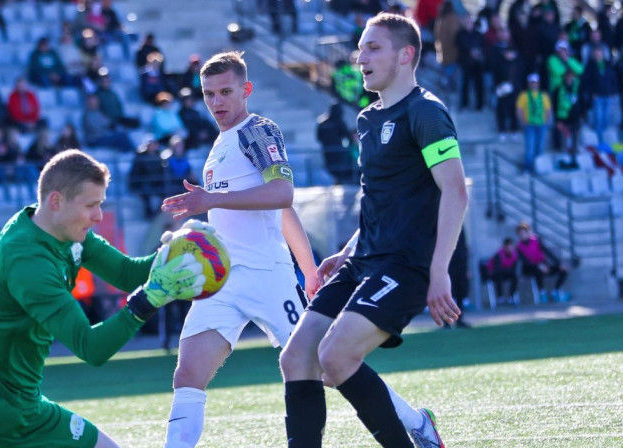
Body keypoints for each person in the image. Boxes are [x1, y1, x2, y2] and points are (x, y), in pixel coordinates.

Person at [0, 150, 208, 448]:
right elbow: (91, 347)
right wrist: (150, 298)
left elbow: (127, 273)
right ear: (57, 201)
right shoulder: (30, 263)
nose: (99, 216)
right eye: (91, 205)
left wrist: (171, 253)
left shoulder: (47, 226)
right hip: (2, 400)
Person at [278, 13, 467, 448]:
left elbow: (455, 192)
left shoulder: (426, 113)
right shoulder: (366, 119)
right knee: (296, 358)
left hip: (405, 266)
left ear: (406, 55)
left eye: (373, 47)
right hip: (364, 260)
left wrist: (439, 272)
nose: (360, 56)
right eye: (361, 47)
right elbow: (378, 201)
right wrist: (346, 251)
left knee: (336, 356)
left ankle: (414, 434)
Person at [159, 51, 320, 448]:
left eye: (226, 91)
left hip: (268, 276)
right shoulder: (220, 143)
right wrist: (312, 268)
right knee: (188, 375)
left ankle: (413, 421)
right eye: (209, 94)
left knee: (329, 365)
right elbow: (276, 207)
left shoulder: (257, 130)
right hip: (222, 283)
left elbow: (283, 194)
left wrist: (307, 269)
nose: (217, 102)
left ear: (246, 90)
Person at [515, 221, 569, 303]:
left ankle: (555, 291)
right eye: (521, 233)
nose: (523, 235)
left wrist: (559, 263)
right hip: (530, 268)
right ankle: (542, 292)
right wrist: (538, 265)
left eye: (524, 232)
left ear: (528, 232)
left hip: (542, 265)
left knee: (563, 270)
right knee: (536, 270)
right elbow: (525, 261)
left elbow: (547, 252)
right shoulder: (519, 247)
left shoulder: (536, 241)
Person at [516, 73, 552, 173]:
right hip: (529, 125)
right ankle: (527, 168)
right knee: (530, 148)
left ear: (538, 84)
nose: (534, 84)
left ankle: (538, 168)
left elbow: (548, 110)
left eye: (535, 83)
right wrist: (522, 121)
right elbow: (519, 109)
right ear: (529, 84)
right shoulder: (523, 95)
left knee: (540, 148)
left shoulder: (544, 96)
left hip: (541, 125)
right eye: (532, 83)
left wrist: (547, 121)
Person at [485, 237, 519, 304]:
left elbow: (514, 267)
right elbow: (497, 269)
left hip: (507, 272)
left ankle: (511, 297)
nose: (510, 248)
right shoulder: (499, 255)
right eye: (508, 246)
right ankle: (500, 297)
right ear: (504, 247)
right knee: (499, 277)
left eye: (511, 246)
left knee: (515, 277)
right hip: (496, 273)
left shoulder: (514, 255)